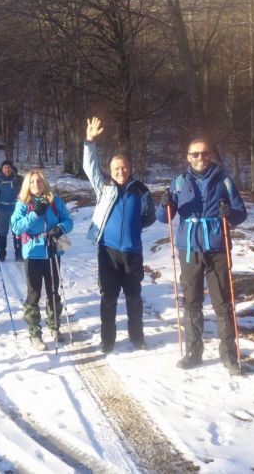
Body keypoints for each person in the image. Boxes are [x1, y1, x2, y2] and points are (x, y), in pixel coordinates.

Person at [157, 137, 247, 375]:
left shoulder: (224, 180)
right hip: (189, 248)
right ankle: (193, 352)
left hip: (217, 247)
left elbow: (241, 213)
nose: (200, 158)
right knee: (192, 302)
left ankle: (229, 355)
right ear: (188, 157)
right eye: (194, 154)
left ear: (210, 155)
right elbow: (164, 217)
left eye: (204, 154)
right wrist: (164, 203)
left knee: (223, 303)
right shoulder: (179, 182)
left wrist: (229, 214)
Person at [83, 117, 156, 353]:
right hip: (108, 251)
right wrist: (89, 141)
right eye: (116, 168)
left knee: (134, 298)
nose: (120, 171)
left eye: (124, 167)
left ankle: (137, 337)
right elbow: (90, 168)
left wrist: (133, 229)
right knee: (109, 298)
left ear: (130, 168)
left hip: (133, 253)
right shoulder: (104, 188)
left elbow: (149, 217)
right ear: (111, 171)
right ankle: (108, 340)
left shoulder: (141, 191)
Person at [10, 170, 74, 350]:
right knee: (34, 293)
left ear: (44, 183)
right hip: (33, 252)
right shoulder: (23, 203)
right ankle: (35, 333)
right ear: (27, 186)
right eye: (32, 182)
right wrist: (34, 214)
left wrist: (60, 228)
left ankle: (54, 326)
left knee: (53, 291)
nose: (36, 185)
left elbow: (68, 221)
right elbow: (15, 227)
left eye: (39, 181)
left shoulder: (54, 201)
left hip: (53, 250)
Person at [0, 160, 24, 262]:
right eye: (4, 168)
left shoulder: (18, 179)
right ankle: (2, 253)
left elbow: (25, 192)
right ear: (1, 169)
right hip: (3, 209)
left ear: (12, 168)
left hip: (16, 209)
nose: (6, 169)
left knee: (16, 232)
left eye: (8, 167)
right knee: (2, 233)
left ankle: (18, 253)